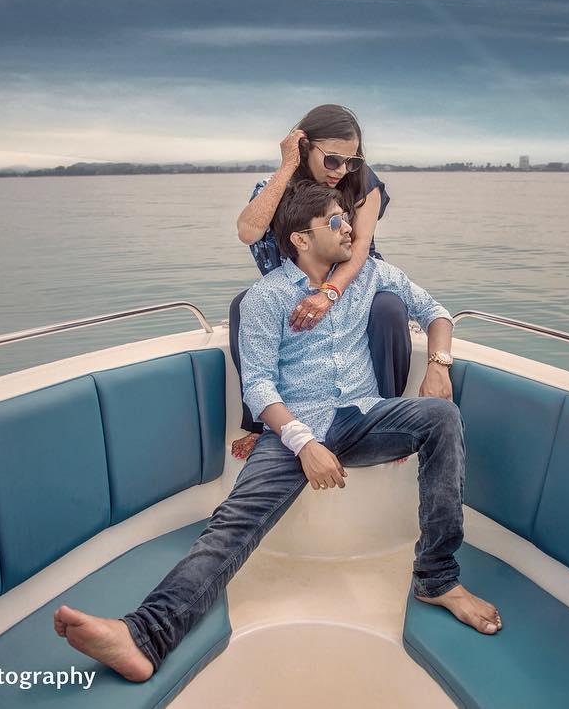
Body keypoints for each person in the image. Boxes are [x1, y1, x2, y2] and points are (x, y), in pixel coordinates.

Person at [53, 180, 502, 683]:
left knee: (442, 416)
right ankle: (144, 634)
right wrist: (304, 443)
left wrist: (437, 365)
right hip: (294, 429)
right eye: (336, 221)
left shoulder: (372, 273)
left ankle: (437, 578)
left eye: (347, 218)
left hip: (364, 415)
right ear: (301, 239)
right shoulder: (265, 299)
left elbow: (435, 312)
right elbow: (259, 384)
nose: (350, 227)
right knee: (232, 522)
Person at [229, 104, 411, 460]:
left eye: (352, 161)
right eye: (332, 160)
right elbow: (248, 231)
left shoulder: (362, 182)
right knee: (242, 305)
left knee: (389, 308)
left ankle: (388, 416)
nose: (341, 171)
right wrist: (287, 167)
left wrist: (330, 292)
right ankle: (258, 424)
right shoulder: (279, 184)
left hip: (350, 280)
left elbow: (360, 249)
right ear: (304, 146)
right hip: (292, 285)